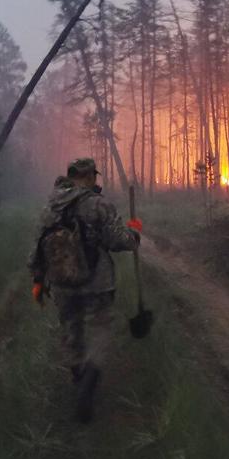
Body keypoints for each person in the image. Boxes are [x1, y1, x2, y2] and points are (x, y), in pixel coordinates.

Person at [27, 157, 142, 423]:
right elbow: (118, 241)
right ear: (88, 176)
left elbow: (38, 247)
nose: (95, 181)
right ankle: (90, 379)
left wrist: (37, 281)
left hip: (62, 284)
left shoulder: (50, 207)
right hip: (97, 282)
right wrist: (134, 233)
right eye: (94, 176)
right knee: (100, 330)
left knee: (71, 330)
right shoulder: (97, 204)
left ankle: (78, 376)